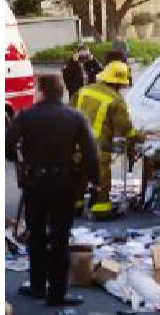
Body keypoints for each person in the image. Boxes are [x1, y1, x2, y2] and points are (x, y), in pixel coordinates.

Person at [6, 76, 99, 307]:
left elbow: (7, 145)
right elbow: (91, 153)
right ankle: (56, 294)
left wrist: (22, 162)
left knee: (36, 236)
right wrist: (93, 181)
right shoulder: (76, 117)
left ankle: (37, 286)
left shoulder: (26, 116)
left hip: (35, 184)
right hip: (64, 185)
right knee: (59, 239)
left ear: (42, 91)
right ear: (62, 92)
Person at [70, 61, 144, 220]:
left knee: (78, 175)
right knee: (102, 178)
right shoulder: (115, 99)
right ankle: (100, 209)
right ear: (119, 83)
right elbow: (125, 128)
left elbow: (68, 112)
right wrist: (139, 137)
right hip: (97, 148)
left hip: (75, 145)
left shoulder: (83, 91)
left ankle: (75, 206)